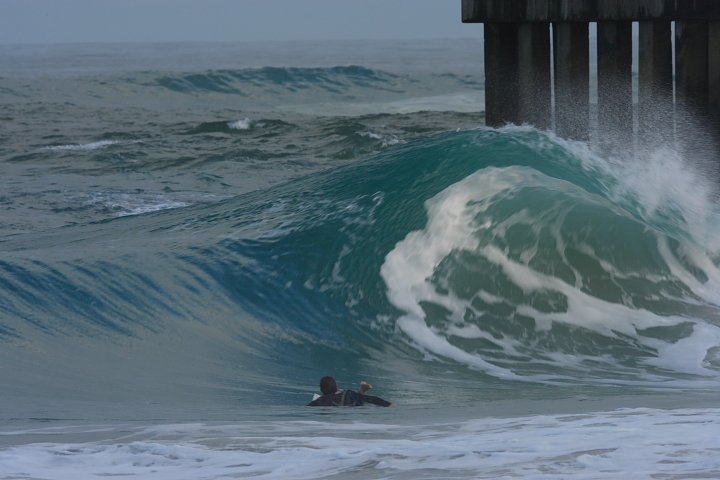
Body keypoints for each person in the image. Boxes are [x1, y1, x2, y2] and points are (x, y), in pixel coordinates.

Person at [307, 375, 392, 407]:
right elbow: (372, 399)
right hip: (350, 400)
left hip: (346, 408)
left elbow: (306, 408)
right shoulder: (348, 393)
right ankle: (362, 390)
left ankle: (362, 390)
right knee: (361, 398)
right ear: (336, 387)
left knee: (359, 400)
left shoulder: (319, 401)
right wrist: (389, 404)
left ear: (321, 390)